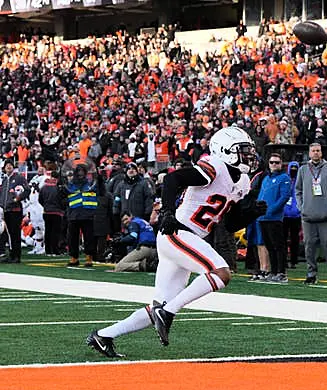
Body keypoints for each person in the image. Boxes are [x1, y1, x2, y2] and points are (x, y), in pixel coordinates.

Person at [87, 127, 265, 358]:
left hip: (186, 239)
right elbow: (173, 178)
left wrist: (250, 214)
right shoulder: (215, 167)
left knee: (158, 306)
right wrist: (168, 212)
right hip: (177, 232)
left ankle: (103, 335)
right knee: (221, 273)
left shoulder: (242, 182)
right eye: (242, 151)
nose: (248, 156)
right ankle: (169, 313)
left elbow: (229, 224)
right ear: (225, 151)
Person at [296, 143, 327, 285]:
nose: (316, 153)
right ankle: (311, 274)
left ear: (321, 153)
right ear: (309, 153)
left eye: (318, 150)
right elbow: (298, 190)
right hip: (307, 215)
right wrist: (301, 207)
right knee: (309, 246)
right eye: (313, 151)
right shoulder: (303, 170)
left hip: (325, 216)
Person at [257, 152, 291, 283]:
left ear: (281, 164)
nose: (274, 165)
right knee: (269, 246)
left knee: (278, 246)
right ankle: (274, 271)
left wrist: (271, 210)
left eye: (277, 162)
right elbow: (261, 196)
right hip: (263, 218)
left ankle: (281, 272)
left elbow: (284, 197)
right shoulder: (266, 178)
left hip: (274, 218)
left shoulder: (284, 178)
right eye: (272, 162)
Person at [63, 164, 97, 267]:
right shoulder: (70, 184)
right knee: (72, 237)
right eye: (78, 171)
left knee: (89, 237)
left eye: (82, 171)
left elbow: (100, 192)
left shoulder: (91, 184)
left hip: (88, 213)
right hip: (74, 214)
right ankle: (74, 258)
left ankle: (89, 257)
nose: (80, 173)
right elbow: (63, 197)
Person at [0, 160, 30, 263]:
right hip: (5, 210)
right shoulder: (4, 180)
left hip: (15, 209)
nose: (8, 167)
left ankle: (16, 256)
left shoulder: (19, 178)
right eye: (6, 165)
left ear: (13, 167)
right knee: (9, 234)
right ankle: (12, 254)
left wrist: (17, 199)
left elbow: (27, 190)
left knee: (15, 233)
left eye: (10, 165)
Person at [38, 171, 65, 256]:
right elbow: (62, 200)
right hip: (57, 212)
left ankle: (48, 250)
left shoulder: (44, 187)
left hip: (46, 211)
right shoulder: (59, 188)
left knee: (48, 231)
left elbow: (40, 200)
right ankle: (55, 250)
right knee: (55, 232)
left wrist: (45, 206)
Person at [283, 161, 301, 269]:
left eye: (295, 167)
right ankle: (284, 259)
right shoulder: (286, 180)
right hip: (285, 214)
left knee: (295, 239)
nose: (293, 169)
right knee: (283, 238)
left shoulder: (300, 181)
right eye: (292, 167)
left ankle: (294, 260)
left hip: (296, 215)